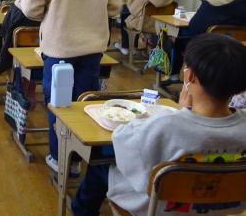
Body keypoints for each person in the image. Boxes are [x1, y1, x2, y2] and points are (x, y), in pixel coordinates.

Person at [71, 33, 246, 216]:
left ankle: (82, 212)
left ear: (190, 75)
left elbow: (122, 141)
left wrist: (180, 113)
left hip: (157, 208)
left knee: (102, 161)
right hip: (228, 206)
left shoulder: (167, 125)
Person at [16, 0, 121, 172]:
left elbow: (30, 10)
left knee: (59, 105)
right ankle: (81, 157)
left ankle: (60, 158)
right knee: (85, 102)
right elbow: (115, 7)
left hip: (58, 51)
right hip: (92, 51)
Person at [168, 0, 246, 82]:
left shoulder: (212, 3)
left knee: (174, 35)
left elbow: (194, 26)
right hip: (238, 51)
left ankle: (173, 75)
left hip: (210, 49)